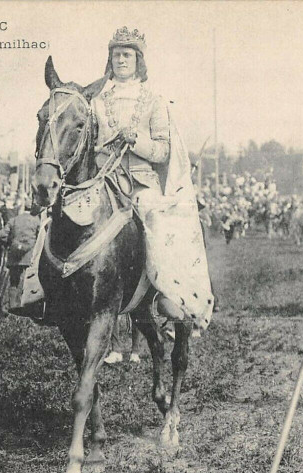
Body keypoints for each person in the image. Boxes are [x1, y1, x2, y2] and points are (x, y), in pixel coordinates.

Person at [90, 27, 212, 326]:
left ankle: (163, 293)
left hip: (141, 182)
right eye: (116, 55)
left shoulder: (154, 100)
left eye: (127, 55)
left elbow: (162, 151)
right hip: (103, 179)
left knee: (157, 224)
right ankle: (45, 290)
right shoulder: (96, 101)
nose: (121, 60)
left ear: (138, 60)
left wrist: (135, 140)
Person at [0, 197, 41, 311]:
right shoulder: (36, 221)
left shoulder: (14, 220)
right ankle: (28, 307)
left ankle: (13, 306)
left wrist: (9, 243)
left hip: (14, 255)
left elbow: (2, 234)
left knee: (14, 282)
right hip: (30, 255)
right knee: (31, 283)